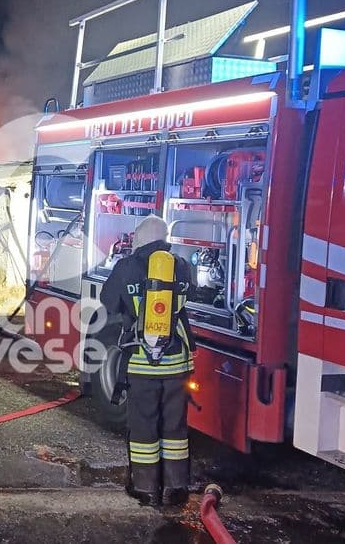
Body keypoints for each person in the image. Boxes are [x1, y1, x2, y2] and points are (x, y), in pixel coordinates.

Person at [100, 215, 195, 507]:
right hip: (176, 362)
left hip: (142, 363)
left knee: (143, 425)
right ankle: (176, 488)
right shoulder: (181, 266)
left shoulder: (127, 267)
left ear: (139, 238)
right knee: (175, 427)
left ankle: (145, 488)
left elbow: (108, 302)